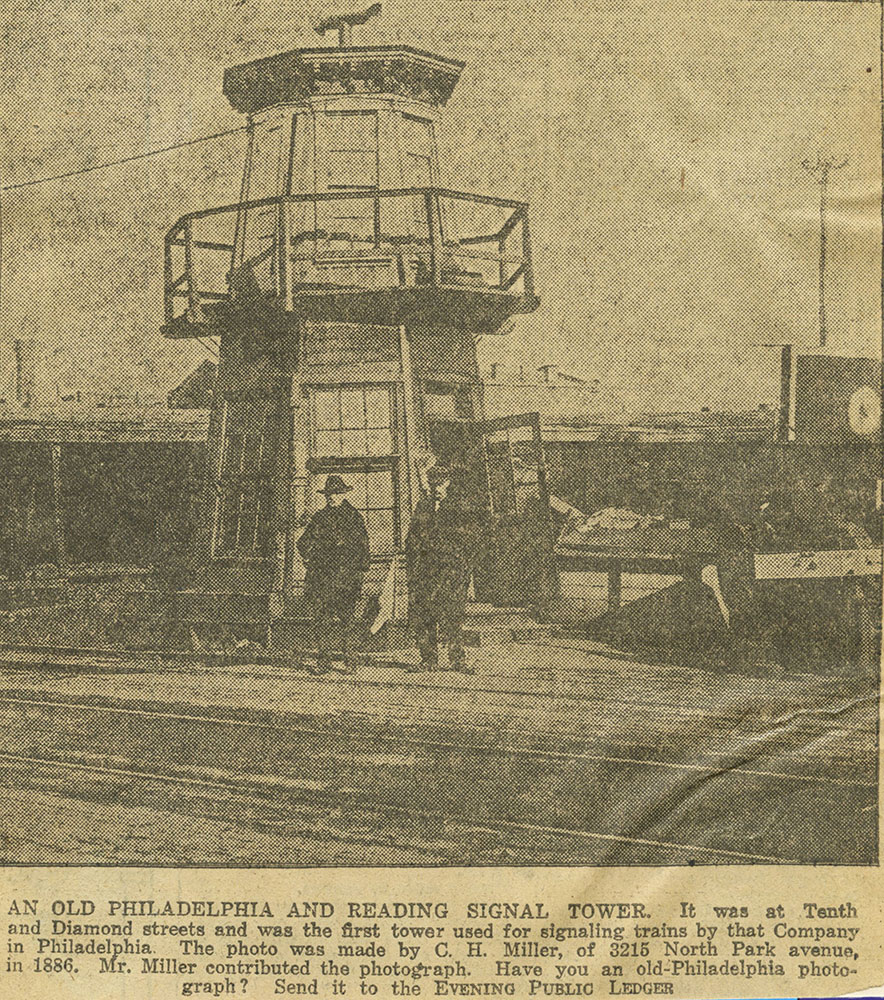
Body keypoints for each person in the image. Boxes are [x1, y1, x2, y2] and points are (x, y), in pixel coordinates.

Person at [405, 466, 478, 673]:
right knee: (425, 615)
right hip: (427, 572)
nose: (437, 488)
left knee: (453, 616)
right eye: (433, 484)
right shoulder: (423, 507)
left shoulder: (458, 509)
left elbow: (469, 541)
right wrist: (416, 564)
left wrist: (463, 569)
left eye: (441, 484)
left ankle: (458, 660)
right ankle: (429, 659)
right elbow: (412, 539)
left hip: (451, 572)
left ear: (448, 484)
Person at [297, 475, 370, 672]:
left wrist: (357, 574)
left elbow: (363, 549)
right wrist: (309, 557)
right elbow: (302, 543)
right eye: (329, 494)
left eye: (336, 494)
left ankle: (351, 661)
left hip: (346, 579)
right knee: (322, 621)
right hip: (322, 579)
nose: (332, 497)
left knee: (348, 620)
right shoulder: (319, 518)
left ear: (343, 494)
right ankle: (324, 662)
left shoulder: (354, 517)